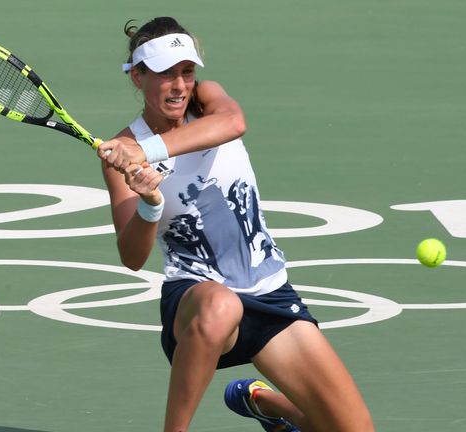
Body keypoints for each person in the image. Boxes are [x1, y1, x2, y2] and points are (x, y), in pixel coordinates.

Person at [97, 16, 375, 432]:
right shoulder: (121, 151)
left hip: (270, 296)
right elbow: (133, 257)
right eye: (164, 75)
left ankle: (266, 403)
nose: (179, 86)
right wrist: (150, 204)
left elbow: (233, 124)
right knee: (222, 304)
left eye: (186, 72)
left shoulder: (208, 101)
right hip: (196, 301)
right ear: (137, 77)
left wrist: (146, 151)